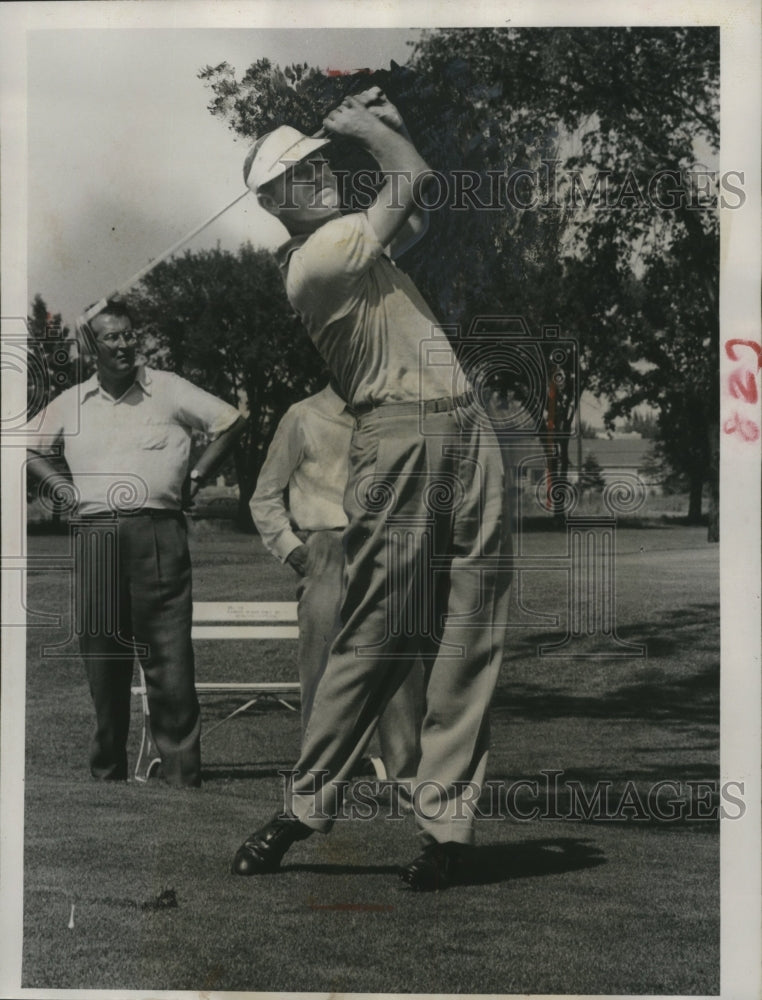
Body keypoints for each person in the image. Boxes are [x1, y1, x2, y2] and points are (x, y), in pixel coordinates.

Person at [232, 88, 512, 889]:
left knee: (471, 631)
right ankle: (305, 804)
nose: (320, 174)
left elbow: (416, 196)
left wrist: (382, 128)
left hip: (466, 427)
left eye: (321, 162)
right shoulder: (319, 259)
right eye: (301, 172)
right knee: (380, 634)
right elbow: (413, 177)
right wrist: (367, 131)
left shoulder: (361, 247)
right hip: (399, 435)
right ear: (270, 202)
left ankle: (446, 828)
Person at [23, 300, 246, 787]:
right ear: (91, 347)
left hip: (157, 531)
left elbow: (230, 421)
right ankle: (108, 774)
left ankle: (182, 774)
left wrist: (198, 473)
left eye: (130, 335)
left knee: (168, 654)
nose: (125, 345)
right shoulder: (71, 401)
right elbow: (29, 450)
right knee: (102, 657)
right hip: (93, 533)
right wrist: (61, 488)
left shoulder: (168, 389)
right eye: (113, 337)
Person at [249, 377, 423, 782]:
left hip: (388, 549)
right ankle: (320, 776)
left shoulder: (397, 416)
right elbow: (265, 494)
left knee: (398, 664)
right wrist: (294, 549)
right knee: (323, 665)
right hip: (327, 548)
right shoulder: (304, 416)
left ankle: (407, 776)